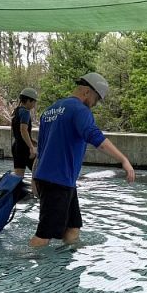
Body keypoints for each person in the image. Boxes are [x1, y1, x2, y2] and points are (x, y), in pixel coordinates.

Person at [29, 72, 135, 247]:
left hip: (58, 180)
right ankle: (22, 266)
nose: (95, 104)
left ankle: (64, 266)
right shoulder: (80, 110)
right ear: (87, 92)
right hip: (58, 180)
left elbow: (41, 150)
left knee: (73, 227)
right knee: (44, 235)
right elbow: (96, 138)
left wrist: (34, 177)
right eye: (97, 99)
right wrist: (123, 160)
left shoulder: (50, 111)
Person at [11, 87, 38, 179]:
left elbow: (18, 133)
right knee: (39, 173)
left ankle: (16, 193)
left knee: (18, 177)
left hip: (16, 147)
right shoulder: (25, 112)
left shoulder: (17, 111)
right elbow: (23, 130)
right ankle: (38, 192)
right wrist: (31, 147)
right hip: (24, 148)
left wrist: (33, 141)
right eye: (34, 101)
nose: (34, 104)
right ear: (28, 100)